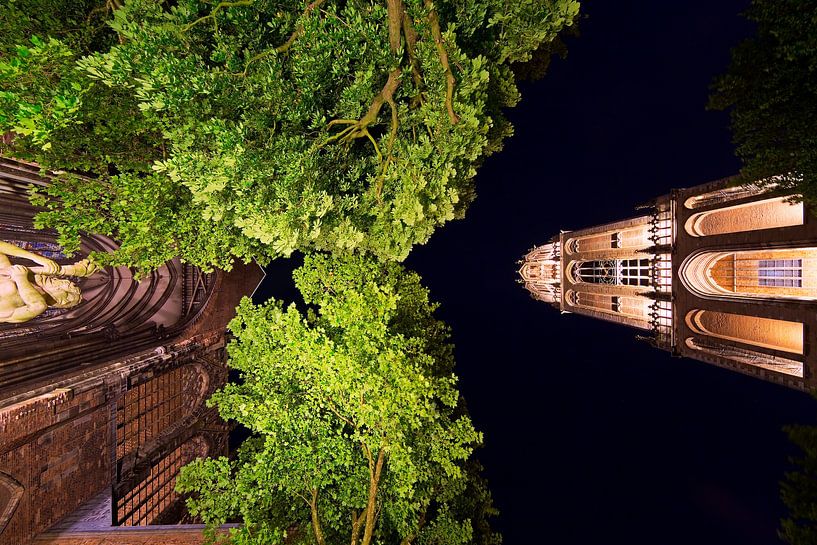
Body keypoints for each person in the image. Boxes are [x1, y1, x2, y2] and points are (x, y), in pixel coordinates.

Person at [0, 240, 98, 323]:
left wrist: (33, 261)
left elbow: (38, 306)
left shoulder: (9, 277)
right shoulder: (3, 311)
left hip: (35, 281)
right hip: (44, 291)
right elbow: (38, 305)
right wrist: (22, 276)